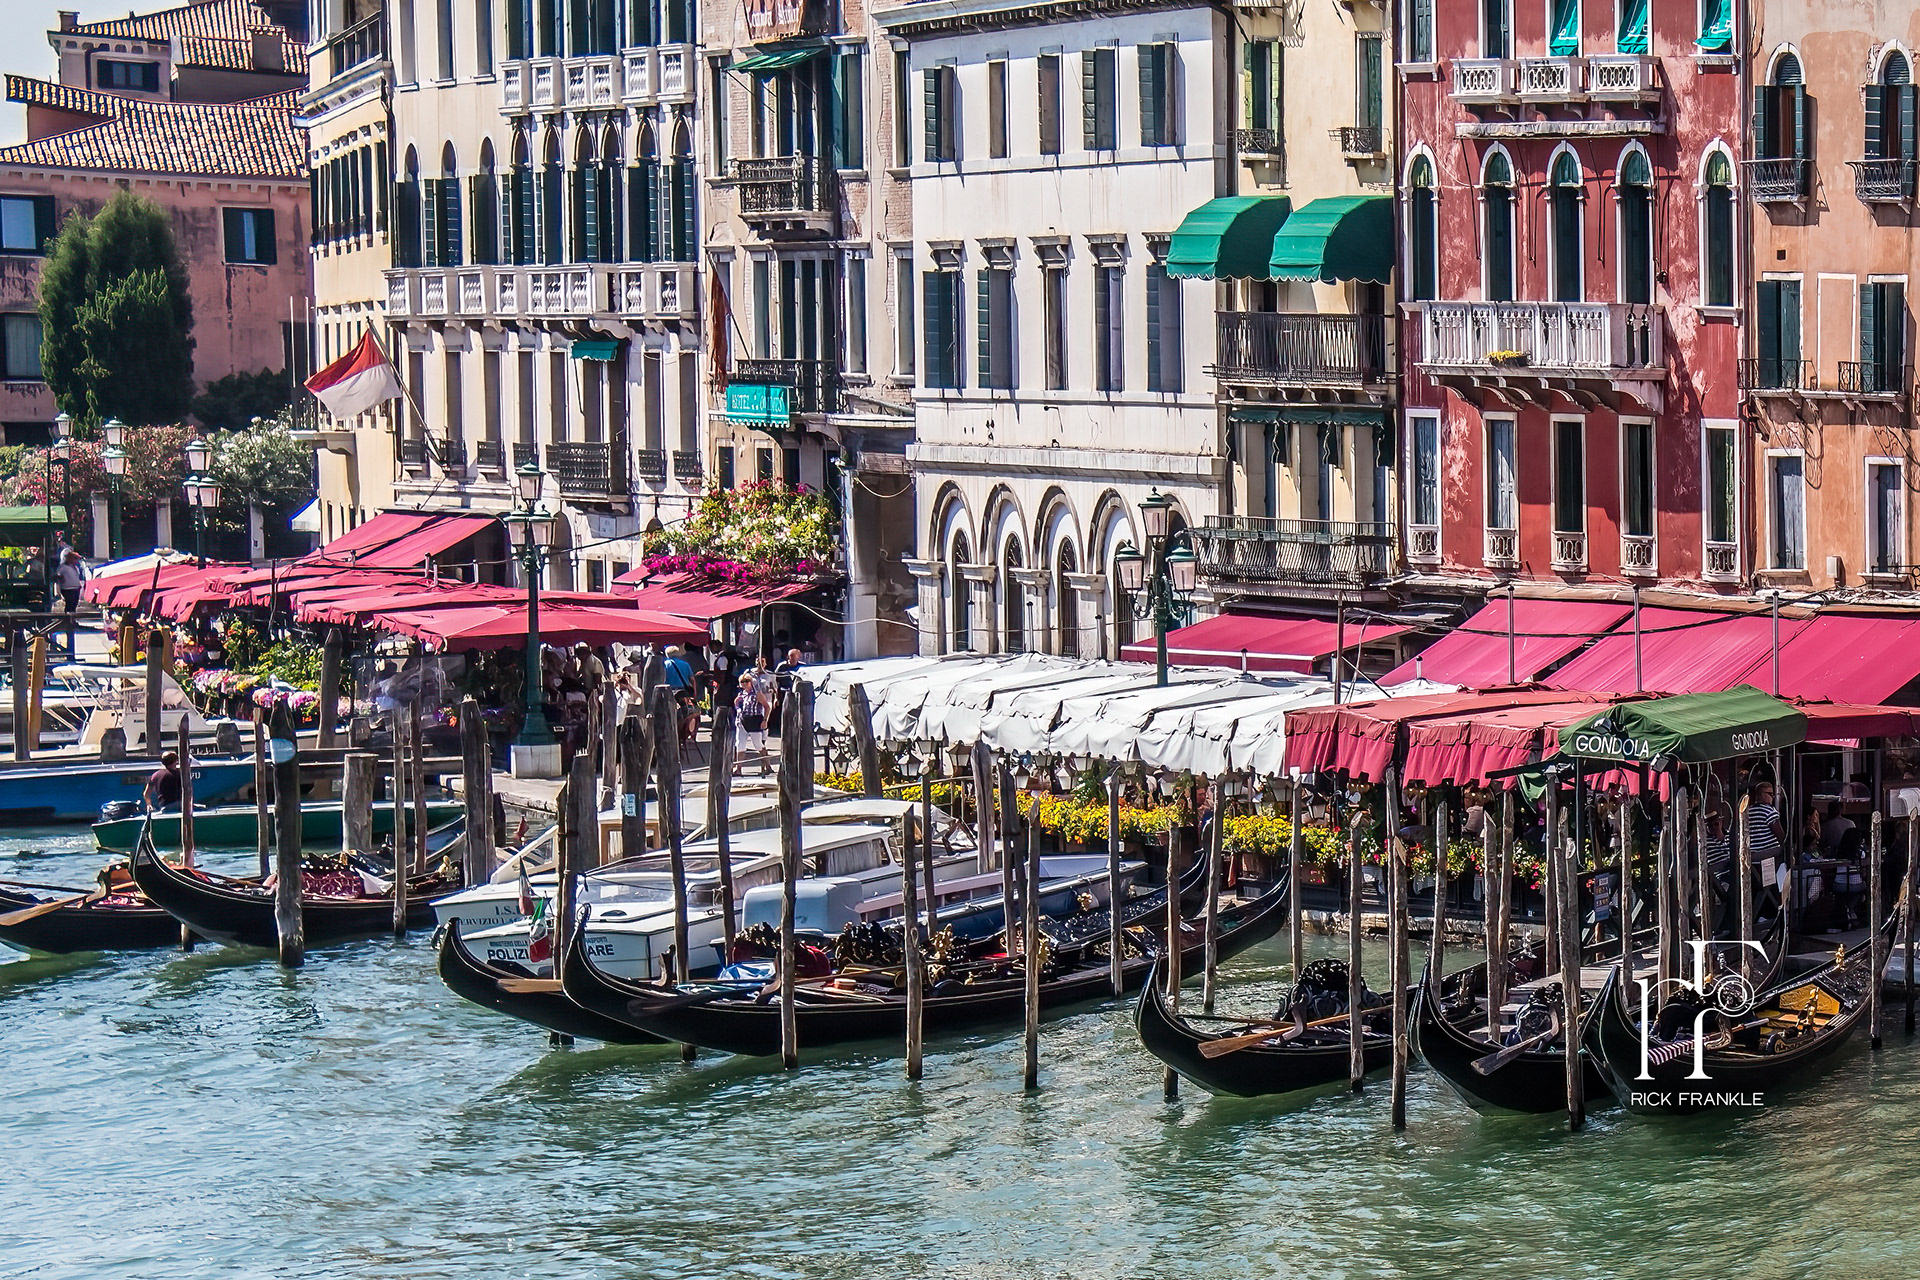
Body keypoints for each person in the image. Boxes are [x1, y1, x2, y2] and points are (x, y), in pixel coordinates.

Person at [734, 679, 769, 773]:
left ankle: (768, 765)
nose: (744, 683)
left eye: (746, 681)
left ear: (751, 682)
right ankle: (738, 769)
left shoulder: (757, 694)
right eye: (742, 682)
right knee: (740, 745)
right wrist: (736, 703)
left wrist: (765, 720)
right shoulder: (741, 694)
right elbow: (738, 707)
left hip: (755, 720)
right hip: (742, 721)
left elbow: (767, 706)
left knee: (758, 745)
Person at [771, 646, 803, 733]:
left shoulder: (802, 666)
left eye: (795, 656)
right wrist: (776, 697)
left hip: (797, 693)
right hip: (784, 692)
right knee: (784, 712)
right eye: (791, 656)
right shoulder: (782, 666)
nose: (792, 659)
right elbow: (776, 681)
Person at [55, 548, 86, 615]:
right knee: (70, 604)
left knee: (74, 605)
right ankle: (67, 620)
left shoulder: (75, 567)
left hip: (76, 588)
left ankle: (72, 619)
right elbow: (58, 576)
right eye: (74, 559)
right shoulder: (63, 567)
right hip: (68, 588)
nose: (76, 561)